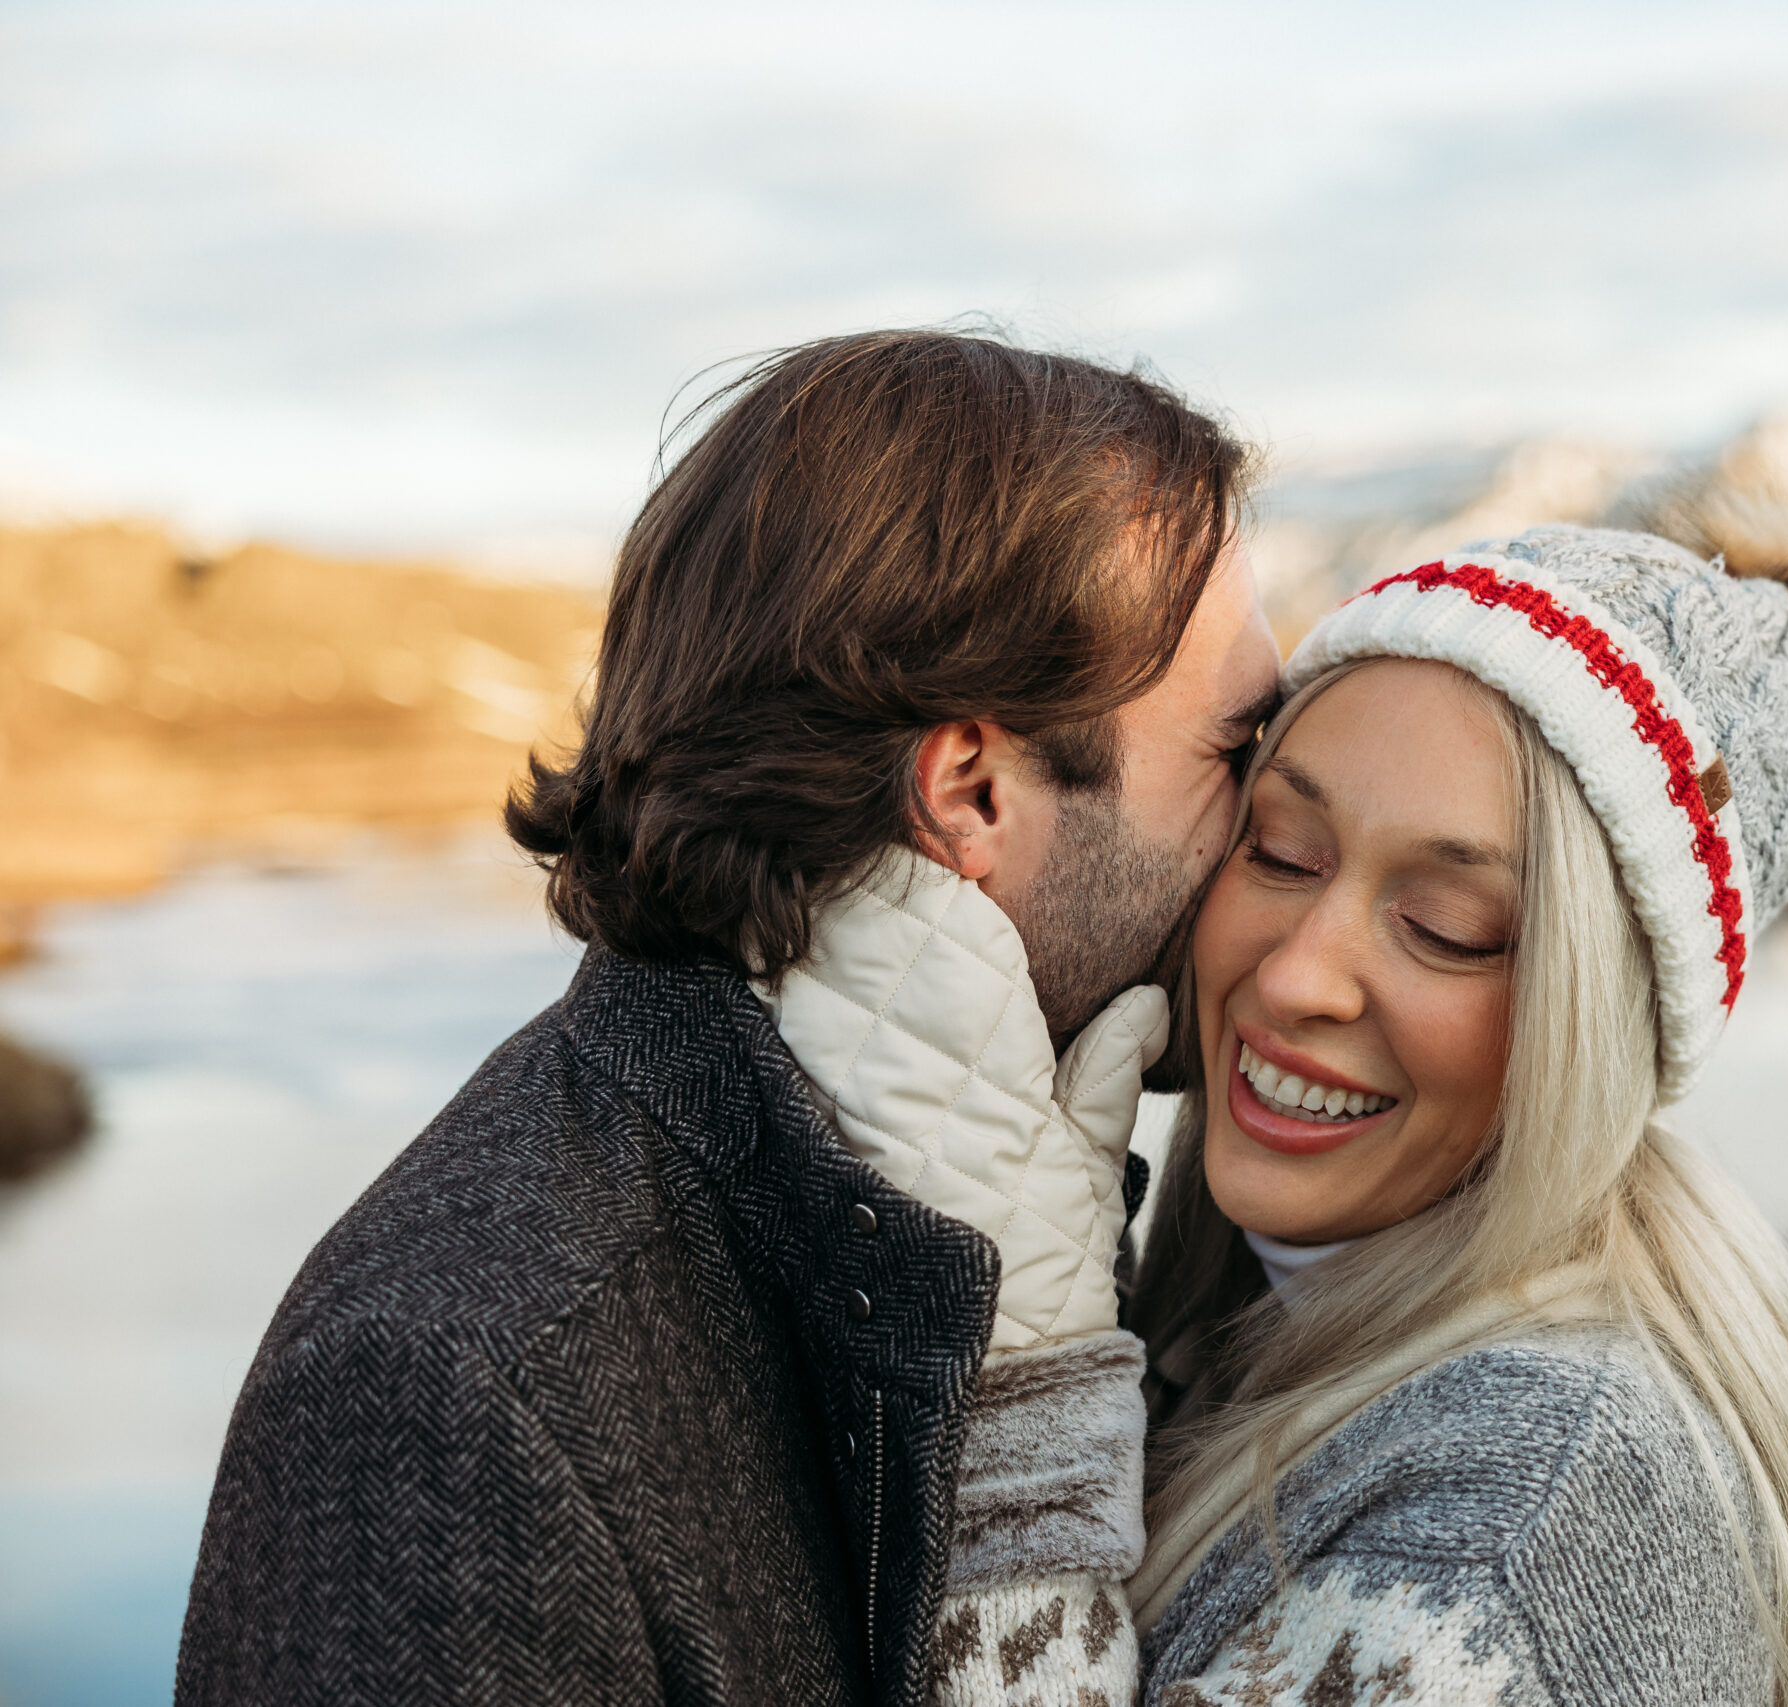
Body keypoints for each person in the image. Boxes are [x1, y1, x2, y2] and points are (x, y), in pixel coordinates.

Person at [177, 329, 1282, 1706]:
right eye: (1236, 749)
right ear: (974, 790)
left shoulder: (1012, 1201)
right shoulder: (459, 1393)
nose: (1268, 833)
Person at [914, 489, 1788, 1705]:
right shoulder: (1240, 1316)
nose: (1297, 974)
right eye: (1278, 851)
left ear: (1599, 1024)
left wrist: (1019, 1403)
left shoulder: (1514, 1531)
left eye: (1449, 928)